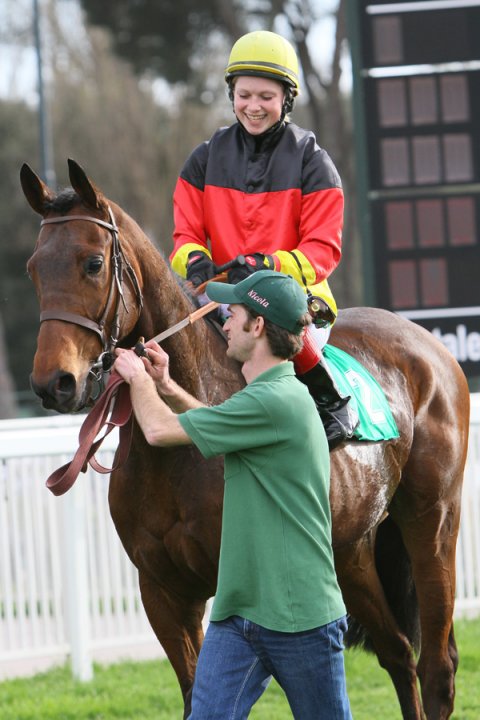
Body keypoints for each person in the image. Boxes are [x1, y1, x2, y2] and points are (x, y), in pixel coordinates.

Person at [114, 270, 352, 719]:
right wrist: (165, 385)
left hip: (300, 617)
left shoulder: (278, 400)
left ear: (257, 325)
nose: (224, 322)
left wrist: (137, 380)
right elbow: (214, 420)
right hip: (239, 613)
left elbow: (160, 431)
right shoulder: (264, 398)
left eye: (233, 313)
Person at [169, 29, 358, 449]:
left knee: (276, 324)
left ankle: (333, 403)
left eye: (266, 97)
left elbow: (322, 252)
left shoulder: (314, 162)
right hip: (219, 294)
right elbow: (184, 238)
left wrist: (268, 265)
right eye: (244, 95)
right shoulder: (202, 159)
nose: (253, 106)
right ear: (231, 95)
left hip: (294, 298)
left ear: (286, 99)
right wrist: (196, 261)